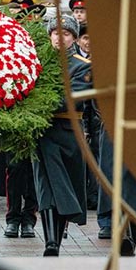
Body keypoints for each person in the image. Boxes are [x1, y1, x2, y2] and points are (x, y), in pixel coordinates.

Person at [33, 14, 90, 256]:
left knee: (64, 188)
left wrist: (36, 104)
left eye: (65, 33)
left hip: (68, 133)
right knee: (46, 186)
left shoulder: (83, 66)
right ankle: (51, 242)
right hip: (42, 131)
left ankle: (56, 237)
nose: (59, 37)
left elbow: (73, 98)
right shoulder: (37, 63)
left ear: (74, 38)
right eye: (55, 33)